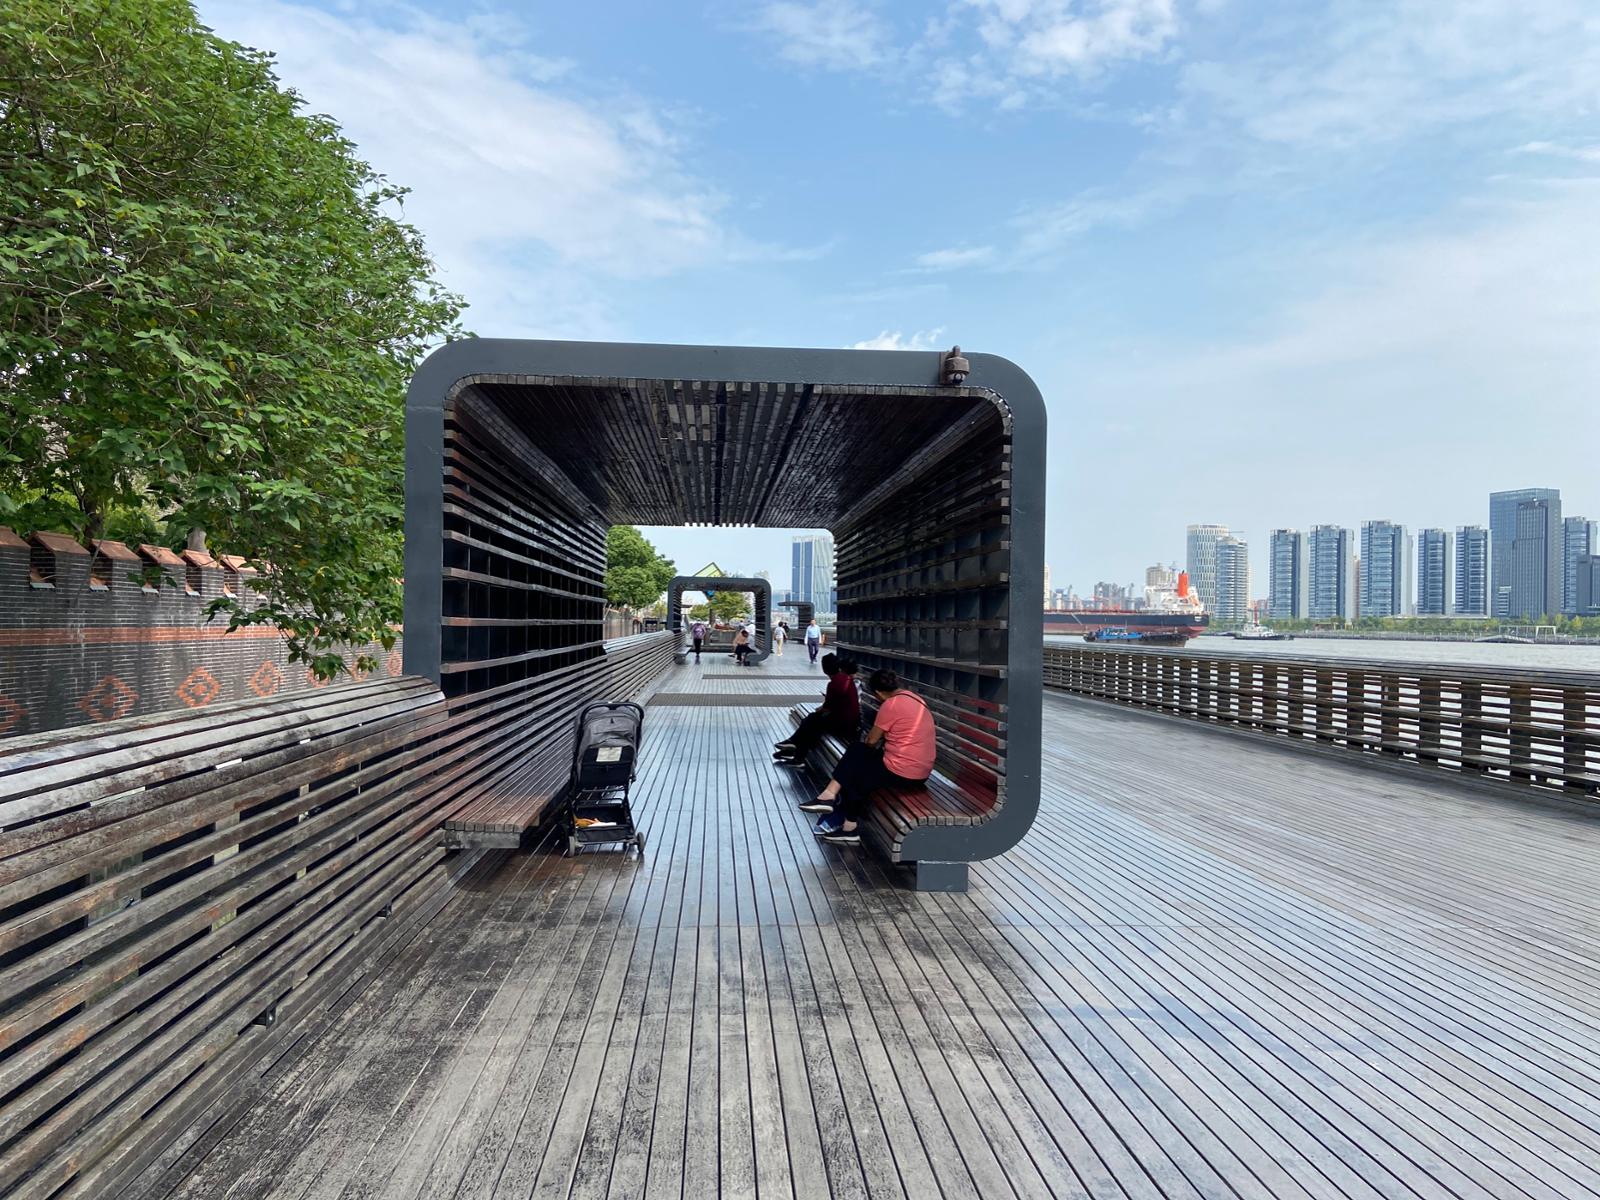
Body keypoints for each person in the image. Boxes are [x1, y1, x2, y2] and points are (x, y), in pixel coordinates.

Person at [805, 668, 935, 845]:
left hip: (902, 771)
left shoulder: (891, 705)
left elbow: (872, 741)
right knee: (857, 758)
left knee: (856, 767)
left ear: (879, 693)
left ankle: (835, 807)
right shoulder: (916, 699)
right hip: (922, 772)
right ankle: (835, 806)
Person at [772, 655, 859, 766]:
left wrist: (819, 710)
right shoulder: (844, 679)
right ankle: (793, 749)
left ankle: (795, 752)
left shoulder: (835, 683)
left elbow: (827, 707)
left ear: (824, 669)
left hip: (845, 725)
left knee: (811, 723)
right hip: (850, 722)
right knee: (812, 721)